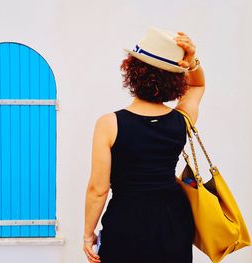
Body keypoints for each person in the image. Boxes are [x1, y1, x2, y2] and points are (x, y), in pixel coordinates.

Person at [83, 26, 205, 263]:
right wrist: (191, 62)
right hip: (173, 220)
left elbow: (98, 190)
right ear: (175, 81)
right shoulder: (182, 119)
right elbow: (198, 86)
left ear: (132, 73)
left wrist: (88, 235)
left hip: (126, 220)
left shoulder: (109, 124)